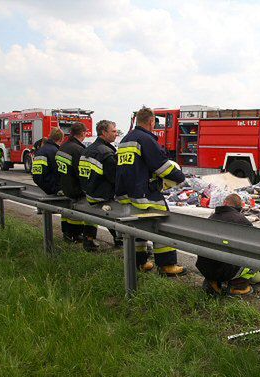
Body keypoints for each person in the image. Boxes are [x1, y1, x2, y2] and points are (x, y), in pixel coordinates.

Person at [115, 106, 187, 276]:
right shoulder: (146, 140)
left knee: (137, 228)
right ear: (151, 121)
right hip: (145, 194)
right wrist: (179, 177)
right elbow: (161, 166)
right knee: (163, 226)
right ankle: (167, 265)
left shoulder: (126, 139)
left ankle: (140, 263)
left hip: (127, 194)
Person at [196, 193, 260, 296]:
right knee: (255, 260)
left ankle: (213, 282)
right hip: (225, 270)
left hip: (204, 267)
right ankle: (237, 286)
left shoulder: (212, 218)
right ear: (240, 207)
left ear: (225, 203)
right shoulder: (242, 221)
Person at [78, 119, 122, 247]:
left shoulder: (88, 149)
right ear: (103, 132)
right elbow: (114, 178)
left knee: (93, 215)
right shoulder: (105, 153)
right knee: (117, 215)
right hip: (103, 195)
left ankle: (88, 239)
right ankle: (121, 240)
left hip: (89, 193)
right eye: (113, 131)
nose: (116, 134)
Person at [57, 122, 99, 251]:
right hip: (76, 189)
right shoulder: (78, 150)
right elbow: (81, 172)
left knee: (68, 214)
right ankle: (85, 239)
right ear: (82, 133)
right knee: (93, 211)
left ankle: (69, 234)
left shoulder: (63, 147)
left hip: (65, 186)